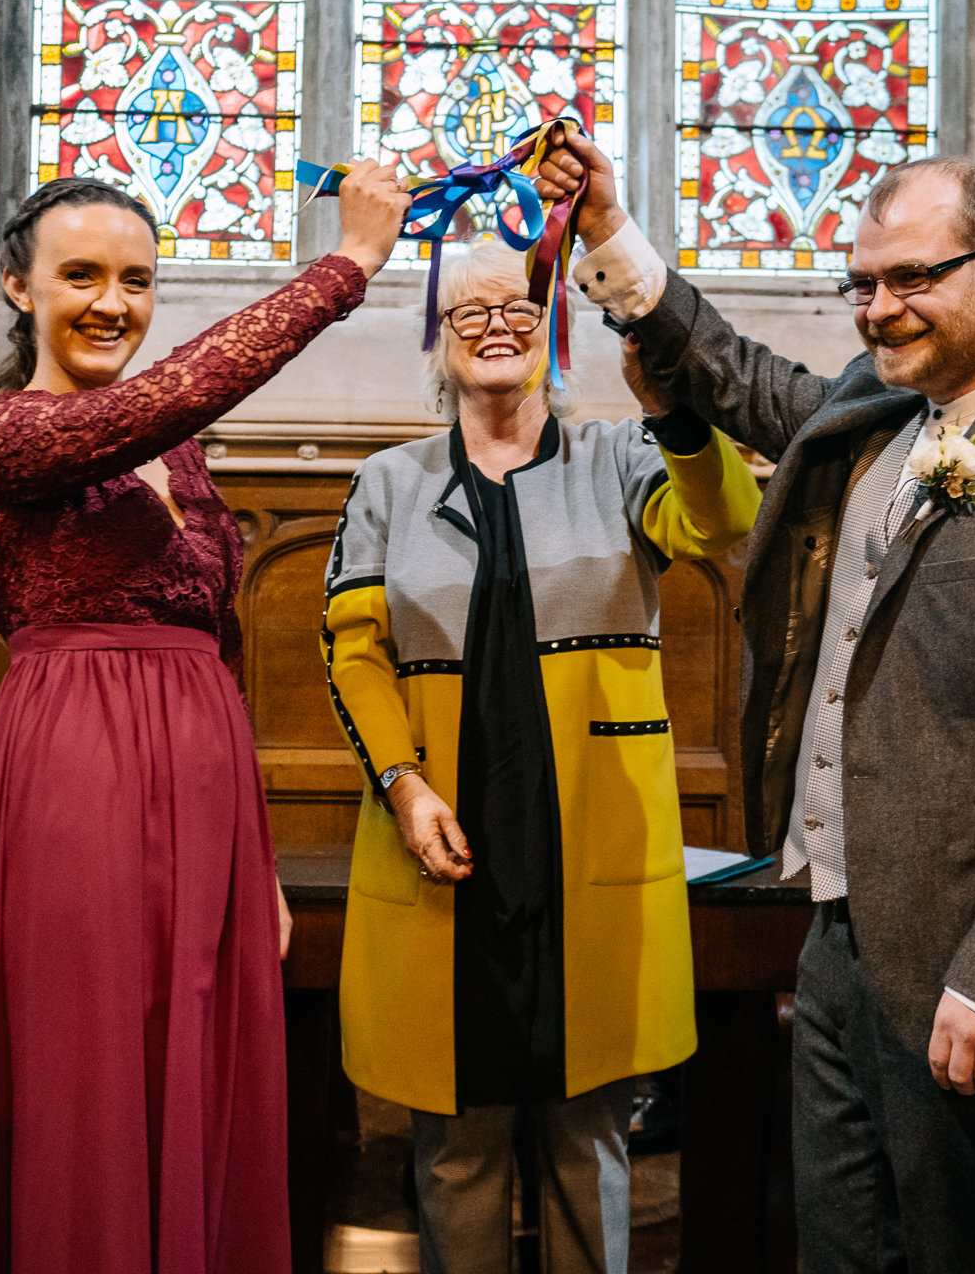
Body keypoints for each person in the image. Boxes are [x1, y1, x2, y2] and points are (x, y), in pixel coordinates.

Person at [533, 137, 975, 1271]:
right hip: (833, 929)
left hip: (972, 961)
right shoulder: (874, 414)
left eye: (913, 278)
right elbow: (735, 372)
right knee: (841, 1247)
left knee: (968, 1251)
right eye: (865, 285)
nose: (880, 310)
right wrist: (606, 234)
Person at [0, 166, 410, 1274]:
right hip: (75, 772)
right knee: (89, 1058)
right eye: (81, 276)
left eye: (138, 280)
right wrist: (346, 268)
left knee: (200, 1054)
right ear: (18, 286)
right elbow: (166, 395)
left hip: (205, 784)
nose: (113, 302)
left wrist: (258, 857)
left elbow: (224, 642)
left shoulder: (176, 451)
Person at [321, 235, 761, 1274]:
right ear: (440, 339)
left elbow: (726, 520)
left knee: (585, 1144)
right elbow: (352, 651)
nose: (496, 327)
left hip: (588, 865)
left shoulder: (619, 459)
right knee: (457, 1156)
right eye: (469, 312)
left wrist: (676, 412)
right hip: (447, 857)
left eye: (519, 308)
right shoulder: (388, 483)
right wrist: (403, 782)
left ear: (553, 328)